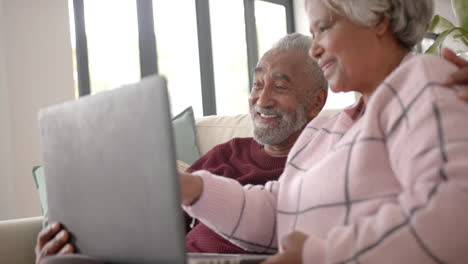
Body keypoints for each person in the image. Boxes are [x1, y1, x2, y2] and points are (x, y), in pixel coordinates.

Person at [179, 0, 468, 263]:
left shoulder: (422, 83)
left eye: (323, 28)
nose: (314, 51)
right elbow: (281, 210)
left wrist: (314, 256)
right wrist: (193, 188)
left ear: (380, 19)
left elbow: (452, 217)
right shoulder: (323, 128)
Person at [34, 33, 329, 263]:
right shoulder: (224, 155)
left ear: (316, 102)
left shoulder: (329, 163)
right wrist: (75, 248)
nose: (261, 100)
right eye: (256, 84)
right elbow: (154, 231)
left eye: (279, 87)